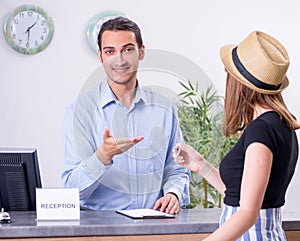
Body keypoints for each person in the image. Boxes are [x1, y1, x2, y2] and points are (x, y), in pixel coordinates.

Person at [173, 31, 300, 240]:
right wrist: (198, 164)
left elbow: (248, 213)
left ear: (239, 82)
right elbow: (240, 196)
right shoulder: (281, 125)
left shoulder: (262, 130)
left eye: (228, 73)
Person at [61, 16, 190, 214]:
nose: (119, 60)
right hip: (98, 229)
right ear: (101, 57)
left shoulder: (165, 108)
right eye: (110, 51)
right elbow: (72, 190)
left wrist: (173, 194)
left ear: (142, 52)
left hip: (154, 225)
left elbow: (176, 168)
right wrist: (102, 157)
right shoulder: (79, 111)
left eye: (128, 50)